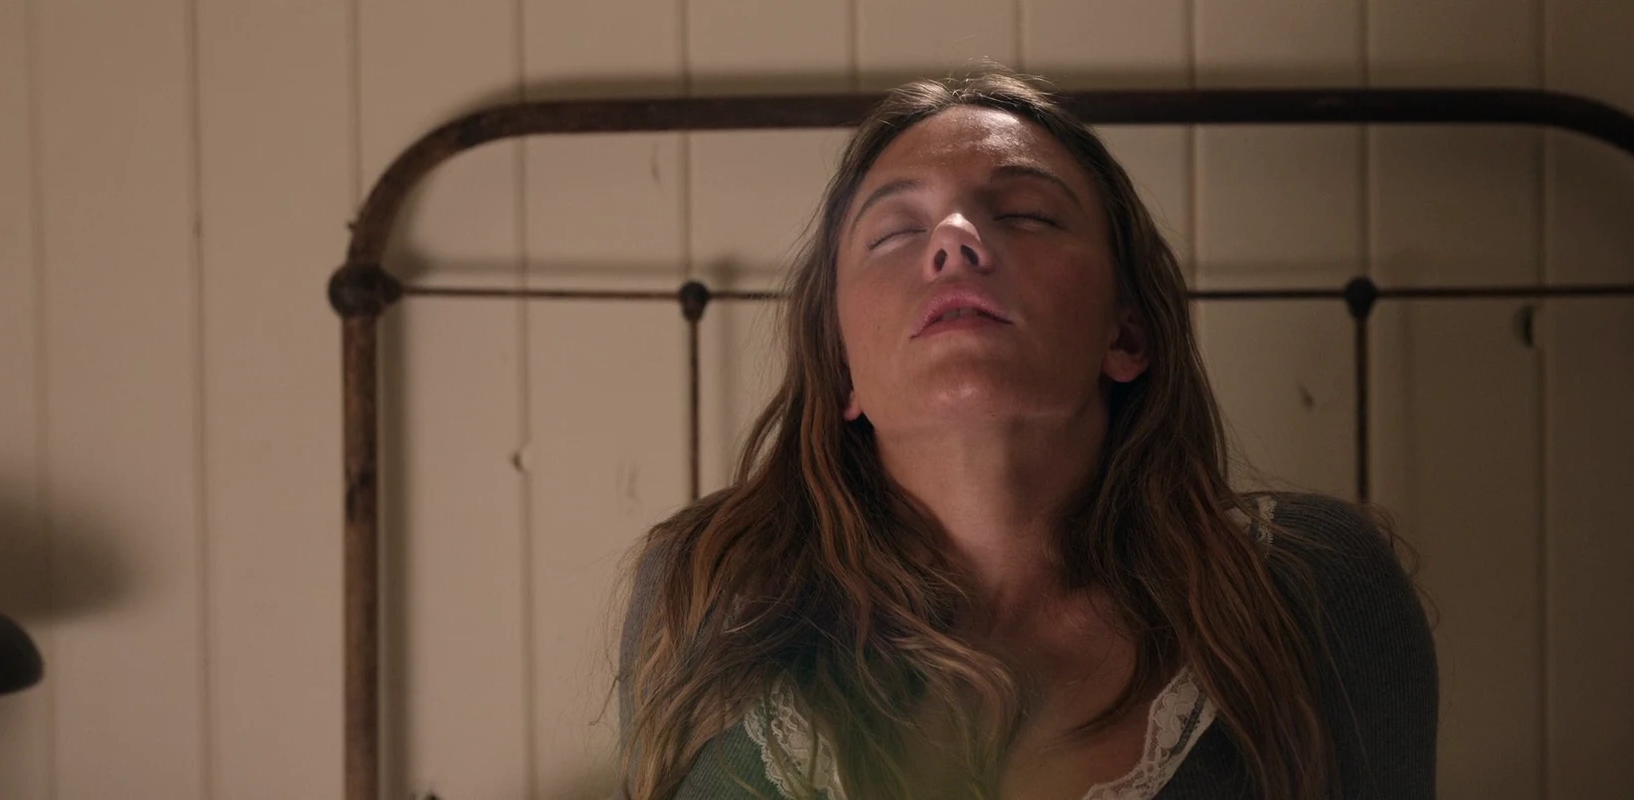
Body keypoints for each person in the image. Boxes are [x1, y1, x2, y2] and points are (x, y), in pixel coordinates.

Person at [615, 66, 1437, 800]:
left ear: (1127, 333)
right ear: (842, 372)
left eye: (1026, 214)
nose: (955, 240)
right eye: (896, 232)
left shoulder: (1309, 592)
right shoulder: (714, 591)